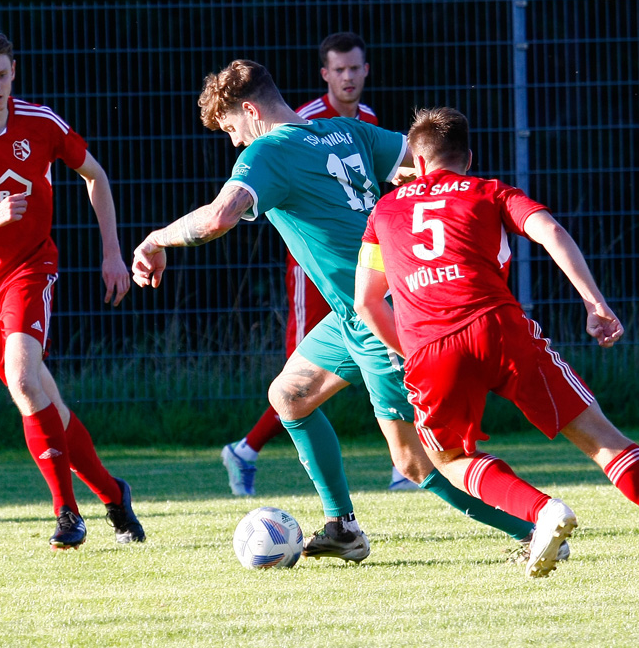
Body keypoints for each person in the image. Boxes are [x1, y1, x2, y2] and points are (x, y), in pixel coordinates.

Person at [133, 59, 545, 563]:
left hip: (385, 317)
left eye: (231, 130)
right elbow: (433, 168)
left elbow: (220, 217)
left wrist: (156, 240)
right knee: (289, 396)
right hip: (359, 312)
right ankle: (343, 527)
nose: (236, 143)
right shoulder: (348, 131)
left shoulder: (267, 152)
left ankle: (529, 528)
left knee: (417, 462)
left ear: (248, 112)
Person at [355, 106, 639, 577]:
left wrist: (410, 352)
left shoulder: (385, 209)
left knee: (451, 458)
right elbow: (550, 232)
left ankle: (541, 512)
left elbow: (367, 303)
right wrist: (595, 304)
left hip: (431, 348)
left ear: (416, 163)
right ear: (468, 158)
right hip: (499, 328)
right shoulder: (491, 190)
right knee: (603, 441)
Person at [0, 27, 145, 551]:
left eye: (3, 76)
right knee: (40, 396)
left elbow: (95, 175)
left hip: (30, 269)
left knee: (21, 378)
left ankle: (67, 515)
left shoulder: (40, 122)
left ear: (15, 73)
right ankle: (112, 493)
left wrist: (112, 253)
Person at [221, 32, 419, 495]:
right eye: (339, 70)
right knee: (302, 377)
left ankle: (408, 462)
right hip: (319, 274)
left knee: (356, 363)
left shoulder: (364, 122)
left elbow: (397, 171)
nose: (349, 77)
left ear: (366, 70)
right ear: (325, 75)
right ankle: (250, 450)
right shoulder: (301, 124)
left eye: (356, 68)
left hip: (370, 266)